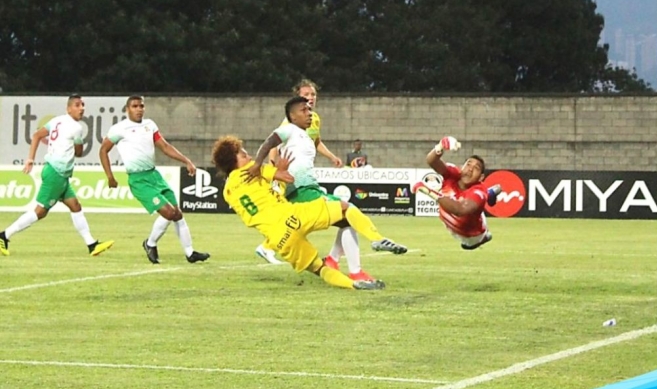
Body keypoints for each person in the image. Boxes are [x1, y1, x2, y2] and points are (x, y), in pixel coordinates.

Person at [212, 135, 407, 290]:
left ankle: (353, 285)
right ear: (233, 161)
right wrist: (279, 170)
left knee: (319, 268)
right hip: (293, 216)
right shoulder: (249, 170)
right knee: (345, 209)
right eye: (244, 155)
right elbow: (284, 177)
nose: (250, 158)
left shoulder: (228, 192)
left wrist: (277, 176)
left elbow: (274, 192)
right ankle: (376, 239)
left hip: (279, 239)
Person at [252, 96, 400, 280]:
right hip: (301, 191)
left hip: (309, 189)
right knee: (348, 210)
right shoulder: (288, 129)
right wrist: (258, 164)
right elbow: (268, 143)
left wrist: (331, 157)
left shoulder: (305, 136)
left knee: (346, 222)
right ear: (292, 116)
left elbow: (313, 144)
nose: (309, 113)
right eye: (303, 110)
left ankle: (343, 265)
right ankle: (377, 239)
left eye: (309, 109)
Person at [99, 95, 209, 264]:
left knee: (177, 214)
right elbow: (103, 151)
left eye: (141, 106)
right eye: (135, 106)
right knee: (169, 212)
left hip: (154, 175)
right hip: (138, 180)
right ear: (127, 109)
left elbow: (164, 146)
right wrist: (110, 176)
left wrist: (186, 161)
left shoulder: (149, 125)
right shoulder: (119, 129)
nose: (139, 109)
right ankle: (150, 243)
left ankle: (190, 253)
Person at [0, 95, 113, 257]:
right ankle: (4, 235)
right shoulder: (76, 128)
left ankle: (91, 245)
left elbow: (37, 135)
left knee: (75, 206)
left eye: (83, 105)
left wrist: (30, 159)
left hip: (57, 173)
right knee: (40, 212)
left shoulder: (57, 121)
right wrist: (79, 142)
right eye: (77, 105)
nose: (81, 108)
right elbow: (79, 153)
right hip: (56, 173)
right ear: (68, 108)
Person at [411, 136, 501, 251]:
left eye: (476, 168)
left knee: (468, 246)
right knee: (484, 196)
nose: (470, 169)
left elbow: (460, 210)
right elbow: (432, 161)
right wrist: (440, 147)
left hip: (471, 236)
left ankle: (485, 235)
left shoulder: (478, 191)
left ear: (481, 177)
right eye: (468, 164)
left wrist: (428, 191)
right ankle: (491, 194)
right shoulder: (453, 173)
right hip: (449, 222)